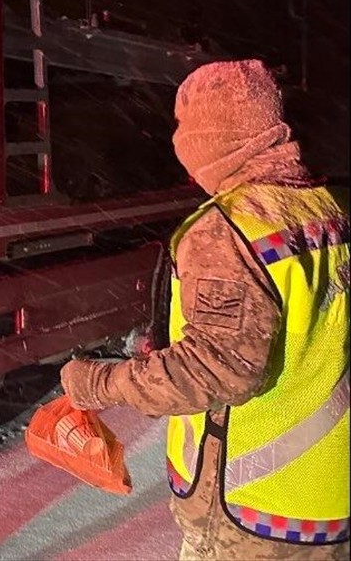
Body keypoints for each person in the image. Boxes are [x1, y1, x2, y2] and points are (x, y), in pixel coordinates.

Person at [60, 59, 349, 561]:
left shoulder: (227, 229)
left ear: (211, 140)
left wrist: (98, 383)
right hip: (327, 492)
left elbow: (217, 371)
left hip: (256, 514)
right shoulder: (328, 208)